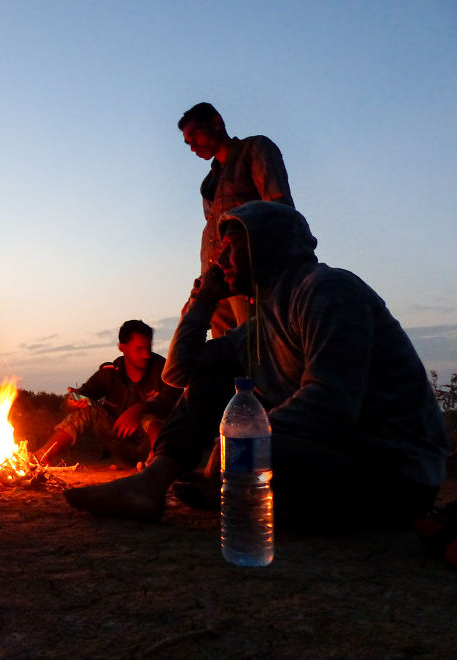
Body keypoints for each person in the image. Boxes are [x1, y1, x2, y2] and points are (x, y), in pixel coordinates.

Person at [66, 201, 448, 529]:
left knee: (249, 456)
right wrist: (201, 303)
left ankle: (234, 493)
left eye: (232, 247)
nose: (221, 260)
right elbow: (181, 374)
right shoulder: (260, 326)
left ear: (267, 245)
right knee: (213, 374)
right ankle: (150, 484)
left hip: (391, 471)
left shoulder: (327, 290)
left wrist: (234, 440)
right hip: (333, 453)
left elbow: (332, 404)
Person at [179, 102, 294, 338]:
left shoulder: (254, 149)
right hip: (215, 283)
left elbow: (279, 208)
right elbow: (213, 232)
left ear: (217, 123)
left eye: (195, 136)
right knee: (226, 360)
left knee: (256, 350)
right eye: (188, 143)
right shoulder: (208, 183)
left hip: (249, 277)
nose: (193, 147)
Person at [34, 320, 182, 468]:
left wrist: (139, 409)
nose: (146, 355)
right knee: (88, 407)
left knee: (150, 415)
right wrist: (72, 401)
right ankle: (42, 457)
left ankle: (157, 463)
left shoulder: (163, 370)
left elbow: (174, 401)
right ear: (122, 348)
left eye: (148, 348)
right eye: (139, 349)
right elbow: (81, 397)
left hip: (154, 443)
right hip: (119, 441)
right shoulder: (109, 373)